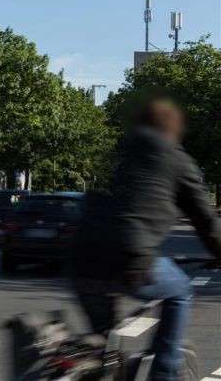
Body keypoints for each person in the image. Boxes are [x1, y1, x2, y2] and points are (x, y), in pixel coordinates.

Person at [73, 96, 221, 381]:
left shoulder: (119, 154)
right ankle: (163, 374)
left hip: (81, 255)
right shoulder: (176, 159)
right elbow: (206, 221)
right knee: (180, 292)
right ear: (173, 128)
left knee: (103, 352)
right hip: (129, 255)